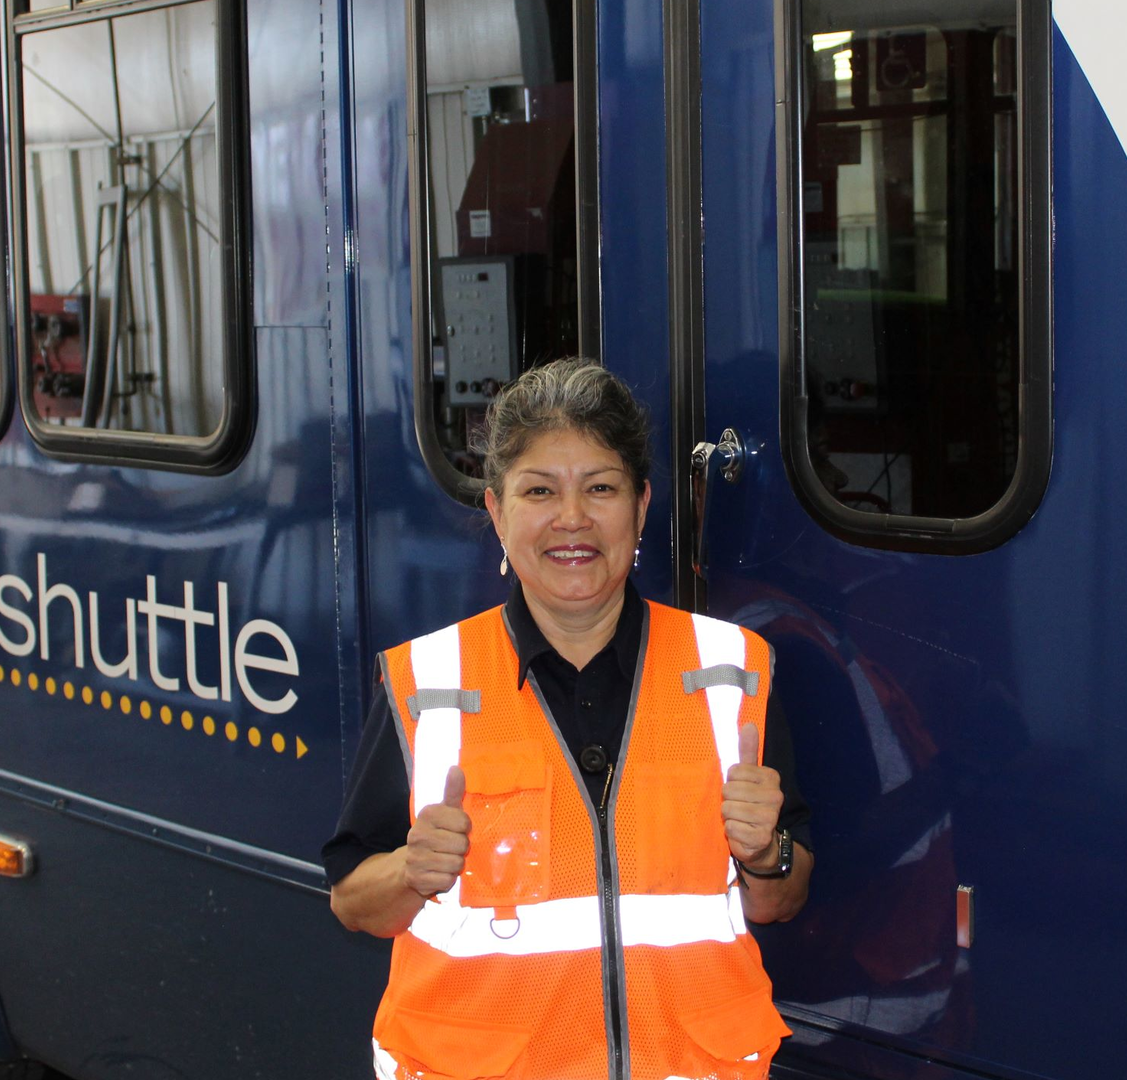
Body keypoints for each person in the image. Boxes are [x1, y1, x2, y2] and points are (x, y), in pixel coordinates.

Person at [324, 358, 813, 1080]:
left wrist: (762, 850)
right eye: (539, 491)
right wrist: (409, 872)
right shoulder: (426, 682)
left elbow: (780, 898)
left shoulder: (732, 671)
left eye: (601, 488)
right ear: (497, 512)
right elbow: (352, 901)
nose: (572, 519)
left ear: (641, 507)